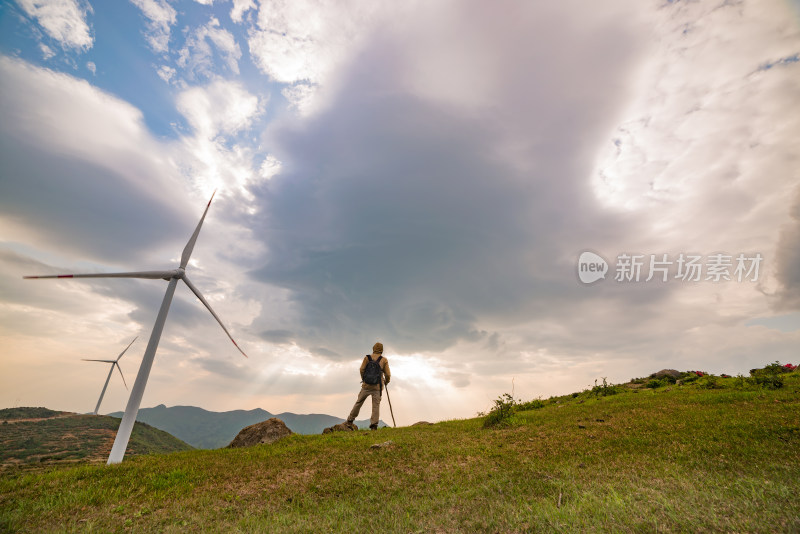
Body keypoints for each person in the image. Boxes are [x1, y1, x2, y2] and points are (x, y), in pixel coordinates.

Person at [346, 342, 391, 430]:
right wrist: (386, 382)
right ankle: (374, 425)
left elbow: (361, 369)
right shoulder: (384, 360)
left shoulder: (367, 358)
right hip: (377, 387)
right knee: (375, 406)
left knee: (359, 402)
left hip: (366, 386)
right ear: (382, 350)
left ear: (373, 348)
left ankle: (350, 420)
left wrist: (364, 379)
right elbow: (388, 374)